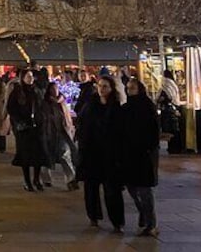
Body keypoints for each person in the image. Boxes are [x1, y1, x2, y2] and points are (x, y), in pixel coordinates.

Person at [76, 75, 125, 232]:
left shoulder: (116, 107)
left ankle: (117, 222)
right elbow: (82, 126)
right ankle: (93, 217)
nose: (102, 89)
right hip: (91, 153)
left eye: (105, 86)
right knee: (91, 188)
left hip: (110, 155)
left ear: (111, 89)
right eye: (100, 86)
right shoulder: (90, 106)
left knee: (112, 190)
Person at [121, 78, 160, 237]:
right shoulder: (125, 109)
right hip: (129, 153)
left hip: (144, 153)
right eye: (128, 89)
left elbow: (154, 130)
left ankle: (151, 223)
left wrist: (150, 148)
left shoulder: (147, 107)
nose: (130, 91)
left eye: (133, 88)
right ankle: (144, 213)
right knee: (131, 187)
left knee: (144, 189)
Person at [7, 69, 48, 191]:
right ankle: (27, 181)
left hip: (37, 127)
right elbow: (11, 108)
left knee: (38, 154)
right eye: (28, 76)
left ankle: (36, 179)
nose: (30, 79)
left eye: (31, 76)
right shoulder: (17, 91)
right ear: (22, 78)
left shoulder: (36, 90)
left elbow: (42, 106)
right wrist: (19, 121)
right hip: (24, 128)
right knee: (25, 155)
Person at [39, 83, 78, 190]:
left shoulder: (62, 101)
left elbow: (67, 117)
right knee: (47, 156)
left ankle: (71, 179)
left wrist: (70, 128)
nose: (54, 91)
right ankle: (46, 179)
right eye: (52, 89)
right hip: (49, 132)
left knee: (65, 155)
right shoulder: (45, 103)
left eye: (56, 89)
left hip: (62, 132)